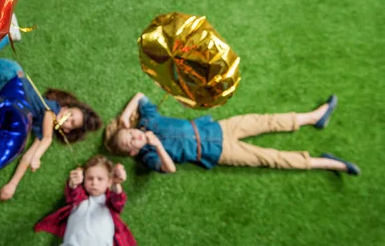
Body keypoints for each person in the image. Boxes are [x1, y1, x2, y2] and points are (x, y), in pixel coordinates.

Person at [0, 15, 102, 201]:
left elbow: (28, 155)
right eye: (69, 113)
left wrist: (12, 185)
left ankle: (7, 34)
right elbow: (46, 139)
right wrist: (38, 156)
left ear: (68, 130)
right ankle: (8, 34)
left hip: (8, 90)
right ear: (65, 107)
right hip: (12, 77)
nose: (66, 118)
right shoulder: (50, 110)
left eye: (71, 122)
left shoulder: (43, 127)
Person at [104, 92, 360, 176]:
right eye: (131, 143)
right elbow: (169, 169)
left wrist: (125, 117)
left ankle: (314, 117)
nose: (135, 137)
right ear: (133, 151)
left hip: (215, 128)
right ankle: (326, 162)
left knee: (265, 121)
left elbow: (140, 96)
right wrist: (157, 145)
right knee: (270, 158)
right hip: (217, 151)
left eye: (131, 134)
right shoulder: (148, 155)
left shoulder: (149, 120)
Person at [34, 155, 136, 246]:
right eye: (90, 178)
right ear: (84, 180)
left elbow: (118, 200)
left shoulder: (110, 205)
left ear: (108, 182)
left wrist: (117, 184)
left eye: (100, 179)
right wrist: (73, 182)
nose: (94, 183)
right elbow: (72, 193)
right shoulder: (79, 200)